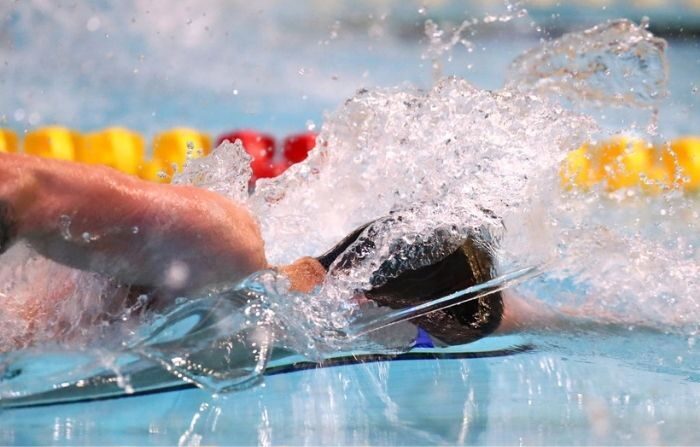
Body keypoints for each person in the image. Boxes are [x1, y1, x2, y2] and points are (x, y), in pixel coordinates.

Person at [0, 152, 545, 350]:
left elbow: (516, 316)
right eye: (421, 341)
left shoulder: (277, 315)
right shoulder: (218, 248)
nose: (410, 349)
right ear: (367, 303)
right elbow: (19, 186)